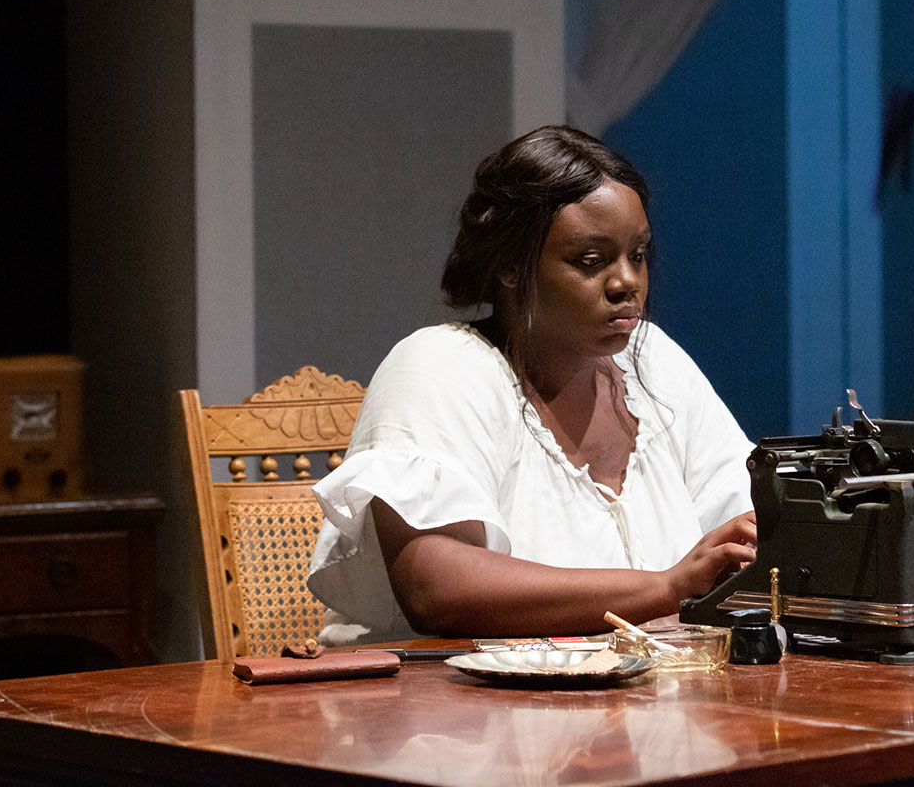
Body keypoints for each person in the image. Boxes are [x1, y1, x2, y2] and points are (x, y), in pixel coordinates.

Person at [306, 125, 758, 645]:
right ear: (509, 267)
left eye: (637, 255)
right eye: (591, 261)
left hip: (642, 707)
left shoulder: (653, 361)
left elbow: (742, 520)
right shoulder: (441, 366)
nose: (627, 282)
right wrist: (667, 587)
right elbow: (435, 586)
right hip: (459, 713)